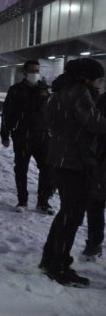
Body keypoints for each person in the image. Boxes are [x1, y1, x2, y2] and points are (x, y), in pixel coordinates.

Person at [40, 57, 106, 287]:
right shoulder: (79, 91)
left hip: (60, 160)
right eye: (98, 80)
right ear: (86, 78)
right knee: (72, 216)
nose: (99, 84)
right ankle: (59, 266)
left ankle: (50, 260)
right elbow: (94, 123)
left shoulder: (58, 91)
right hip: (73, 163)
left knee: (66, 215)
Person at [0, 60, 53, 214]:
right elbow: (7, 114)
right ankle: (22, 201)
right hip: (22, 136)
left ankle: (43, 202)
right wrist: (5, 134)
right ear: (24, 72)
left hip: (42, 137)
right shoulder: (15, 90)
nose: (35, 74)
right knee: (21, 169)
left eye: (37, 71)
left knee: (47, 169)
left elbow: (49, 113)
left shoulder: (44, 90)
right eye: (32, 71)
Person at [81, 92, 106, 260]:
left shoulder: (101, 100)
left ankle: (93, 245)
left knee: (96, 205)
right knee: (96, 204)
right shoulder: (102, 100)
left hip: (100, 161)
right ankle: (93, 245)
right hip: (101, 161)